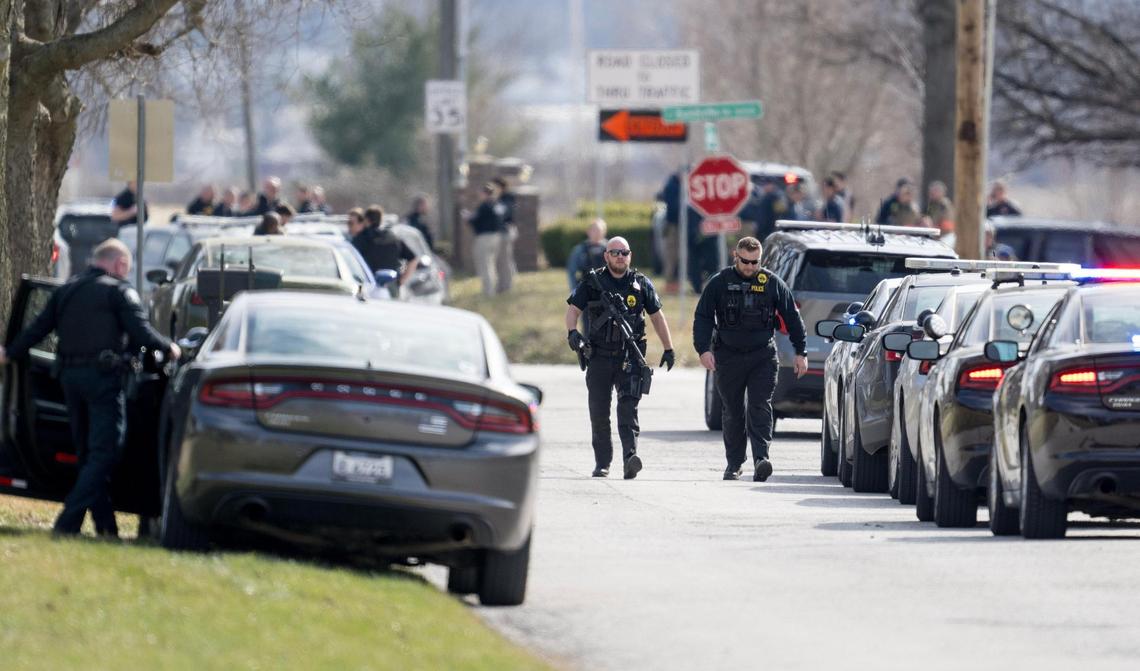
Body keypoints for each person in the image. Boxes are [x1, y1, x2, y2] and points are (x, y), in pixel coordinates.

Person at [0, 239, 180, 538]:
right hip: (104, 381)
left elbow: (37, 328)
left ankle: (106, 528)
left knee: (87, 454)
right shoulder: (120, 292)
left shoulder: (66, 290)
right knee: (106, 452)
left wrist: (10, 352)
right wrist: (169, 348)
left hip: (68, 379)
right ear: (120, 264)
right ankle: (67, 523)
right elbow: (141, 333)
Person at [693, 237, 808, 482]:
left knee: (760, 406)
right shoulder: (720, 282)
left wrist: (801, 352)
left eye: (754, 262)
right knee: (733, 411)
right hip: (728, 356)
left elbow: (792, 317)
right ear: (736, 256)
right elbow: (703, 317)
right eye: (745, 261)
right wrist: (703, 350)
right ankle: (734, 464)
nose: (750, 267)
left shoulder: (771, 283)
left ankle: (761, 459)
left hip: (762, 356)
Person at [565, 237, 674, 480]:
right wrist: (573, 333)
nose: (620, 257)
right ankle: (602, 463)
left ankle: (630, 458)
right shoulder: (593, 282)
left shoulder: (640, 284)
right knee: (599, 413)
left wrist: (668, 348)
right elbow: (573, 310)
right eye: (615, 252)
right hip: (599, 356)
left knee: (628, 410)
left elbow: (657, 317)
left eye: (624, 252)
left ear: (630, 256)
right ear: (606, 256)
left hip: (630, 356)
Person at [352, 205, 419, 291]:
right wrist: (401, 280)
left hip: (368, 285)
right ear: (381, 219)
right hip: (391, 286)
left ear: (366, 220)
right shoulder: (393, 238)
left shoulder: (361, 238)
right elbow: (413, 259)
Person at [468, 182, 504, 297]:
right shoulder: (496, 204)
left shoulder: (484, 206)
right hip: (496, 237)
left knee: (485, 264)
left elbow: (477, 221)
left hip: (485, 237)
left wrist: (469, 218)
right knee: (491, 264)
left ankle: (488, 291)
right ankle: (492, 289)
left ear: (485, 193)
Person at [566, 218, 608, 291]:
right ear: (588, 232)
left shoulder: (610, 249)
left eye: (599, 230)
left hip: (607, 288)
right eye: (594, 230)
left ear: (604, 232)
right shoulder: (579, 250)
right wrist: (574, 290)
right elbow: (571, 271)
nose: (597, 233)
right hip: (586, 288)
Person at [493, 176, 518, 294]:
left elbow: (505, 214)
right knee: (500, 260)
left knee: (504, 259)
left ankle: (507, 285)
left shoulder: (507, 198)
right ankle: (501, 284)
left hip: (505, 231)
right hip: (500, 232)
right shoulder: (500, 198)